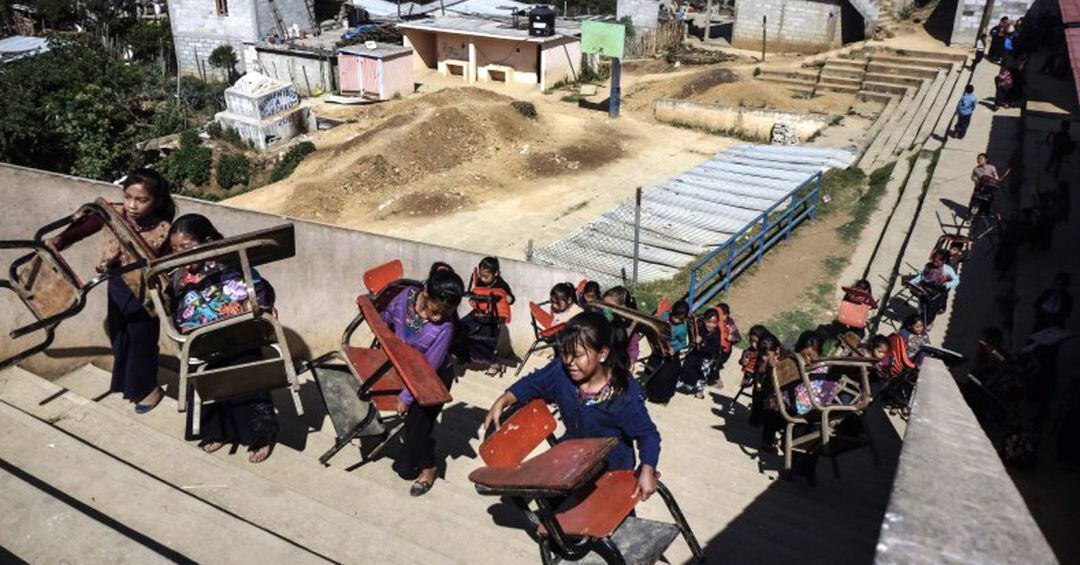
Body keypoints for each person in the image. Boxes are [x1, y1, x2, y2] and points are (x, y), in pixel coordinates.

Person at [482, 311, 661, 500]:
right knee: (555, 507)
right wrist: (505, 399)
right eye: (565, 353)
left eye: (577, 355)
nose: (569, 362)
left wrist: (647, 469)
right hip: (571, 458)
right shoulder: (561, 372)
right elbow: (534, 383)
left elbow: (648, 435)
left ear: (602, 354)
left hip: (610, 470)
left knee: (600, 522)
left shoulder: (624, 394)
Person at [49, 169, 176, 413]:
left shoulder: (164, 229)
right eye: (128, 197)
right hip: (117, 286)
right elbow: (83, 227)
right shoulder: (113, 214)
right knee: (120, 338)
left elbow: (170, 263)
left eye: (141, 200)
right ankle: (129, 385)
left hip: (145, 295)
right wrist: (60, 240)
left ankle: (149, 389)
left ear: (157, 201)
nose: (132, 205)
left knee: (142, 342)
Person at [166, 214, 279, 463]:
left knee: (244, 374)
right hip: (204, 340)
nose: (181, 256)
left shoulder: (232, 262)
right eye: (174, 250)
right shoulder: (175, 277)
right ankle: (217, 431)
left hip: (241, 334)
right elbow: (175, 309)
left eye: (186, 248)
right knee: (208, 380)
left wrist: (256, 315)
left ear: (207, 241)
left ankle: (261, 436)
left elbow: (259, 291)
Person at [381, 263, 464, 496]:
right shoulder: (405, 297)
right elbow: (386, 315)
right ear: (425, 295)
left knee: (417, 427)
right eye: (436, 310)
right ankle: (420, 451)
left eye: (446, 313)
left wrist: (406, 397)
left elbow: (428, 368)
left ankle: (430, 468)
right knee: (405, 469)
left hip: (433, 378)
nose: (439, 317)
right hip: (409, 370)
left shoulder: (445, 328)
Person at [455, 256, 515, 375]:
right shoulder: (479, 281)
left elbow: (511, 299)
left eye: (486, 276)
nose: (482, 278)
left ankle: (493, 362)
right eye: (481, 275)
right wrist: (472, 300)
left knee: (485, 338)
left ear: (496, 273)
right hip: (478, 312)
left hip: (493, 316)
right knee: (460, 328)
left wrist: (509, 299)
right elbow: (474, 295)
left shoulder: (501, 285)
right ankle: (463, 354)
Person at [908, 249, 960, 327]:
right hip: (925, 291)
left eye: (937, 261)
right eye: (933, 261)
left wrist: (947, 285)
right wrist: (912, 282)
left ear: (944, 261)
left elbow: (956, 281)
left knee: (931, 311)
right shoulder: (929, 266)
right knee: (922, 307)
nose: (934, 263)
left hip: (937, 294)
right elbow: (922, 276)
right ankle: (920, 320)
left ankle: (927, 323)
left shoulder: (947, 270)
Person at [676, 308, 720, 398]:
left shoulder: (716, 334)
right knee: (687, 367)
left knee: (702, 374)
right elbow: (694, 321)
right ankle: (683, 385)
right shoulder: (700, 326)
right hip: (696, 353)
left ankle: (700, 391)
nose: (711, 325)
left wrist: (702, 342)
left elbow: (712, 350)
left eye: (714, 322)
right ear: (704, 321)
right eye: (709, 321)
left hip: (707, 357)